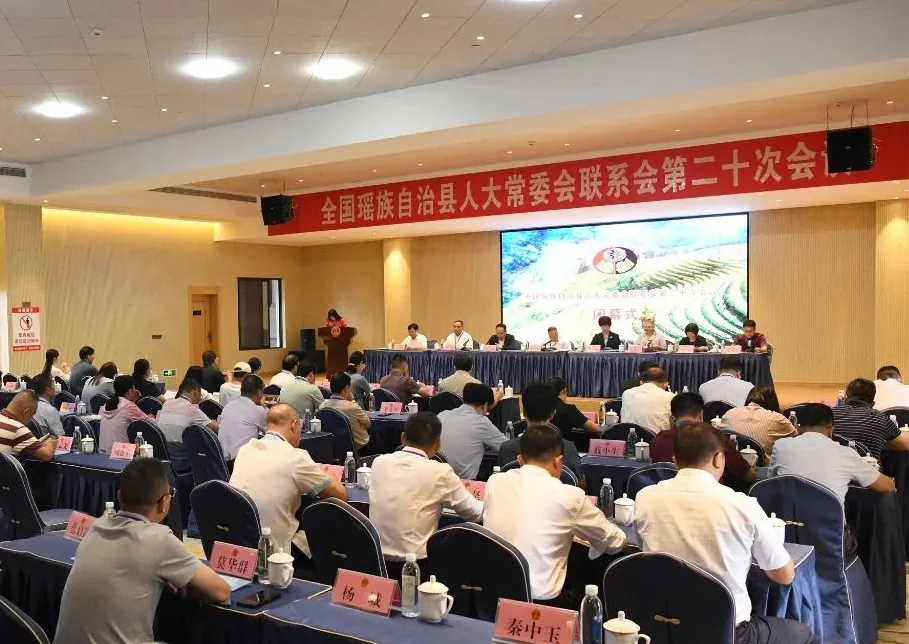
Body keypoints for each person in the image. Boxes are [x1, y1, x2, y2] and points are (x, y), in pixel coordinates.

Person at [635, 422, 815, 644]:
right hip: (726, 632)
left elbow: (645, 553)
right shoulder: (741, 504)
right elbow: (784, 576)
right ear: (719, 459)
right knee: (803, 634)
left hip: (660, 625)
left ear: (675, 460)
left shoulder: (645, 498)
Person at [53, 458, 230, 644]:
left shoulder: (97, 526)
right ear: (165, 502)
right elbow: (221, 592)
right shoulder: (158, 538)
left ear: (120, 496)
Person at [484, 425, 627, 607]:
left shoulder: (495, 481)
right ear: (559, 461)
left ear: (520, 459)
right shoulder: (569, 496)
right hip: (542, 603)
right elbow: (614, 542)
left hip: (492, 593)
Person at [369, 412, 483, 579]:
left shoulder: (379, 462)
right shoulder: (440, 472)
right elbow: (475, 514)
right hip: (416, 567)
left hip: (375, 561)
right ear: (438, 444)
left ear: (403, 438)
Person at [230, 403, 347, 557]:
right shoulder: (295, 457)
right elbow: (340, 494)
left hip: (239, 542)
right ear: (294, 425)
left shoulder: (245, 450)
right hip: (275, 550)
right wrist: (328, 473)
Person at [771, 403, 894, 505]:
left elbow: (770, 481)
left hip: (783, 523)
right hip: (829, 525)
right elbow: (887, 486)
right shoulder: (846, 454)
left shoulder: (781, 446)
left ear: (798, 428)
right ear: (831, 429)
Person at [648, 393, 755, 490]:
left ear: (673, 417)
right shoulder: (716, 439)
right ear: (701, 414)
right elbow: (748, 476)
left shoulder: (658, 441)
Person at [497, 382, 583, 481]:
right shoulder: (567, 448)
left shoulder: (506, 448)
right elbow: (580, 483)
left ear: (524, 411)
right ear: (553, 413)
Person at [438, 383, 508, 479]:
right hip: (462, 482)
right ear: (485, 405)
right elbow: (506, 447)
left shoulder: (442, 415)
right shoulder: (481, 422)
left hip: (436, 477)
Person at [833, 378, 909, 459]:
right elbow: (905, 444)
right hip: (868, 466)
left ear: (845, 399)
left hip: (834, 465)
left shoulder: (829, 414)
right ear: (872, 403)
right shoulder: (880, 418)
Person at [157, 379, 219, 471]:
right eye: (200, 395)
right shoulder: (192, 409)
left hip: (162, 457)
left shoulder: (167, 403)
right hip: (180, 459)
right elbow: (215, 428)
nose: (200, 399)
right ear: (195, 392)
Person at [721, 386, 796, 454]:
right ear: (773, 402)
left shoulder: (730, 413)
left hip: (731, 462)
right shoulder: (776, 418)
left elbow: (717, 433)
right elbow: (795, 437)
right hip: (762, 464)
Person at [320, 372, 378, 455]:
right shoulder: (352, 407)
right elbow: (368, 424)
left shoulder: (323, 406)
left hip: (333, 448)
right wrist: (352, 401)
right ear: (346, 388)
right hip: (358, 448)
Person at [218, 374, 268, 461]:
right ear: (259, 392)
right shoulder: (258, 411)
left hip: (220, 460)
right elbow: (273, 427)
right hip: (239, 462)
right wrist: (264, 406)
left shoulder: (229, 405)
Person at [0, 391, 56, 461]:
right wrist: (52, 442)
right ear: (25, 412)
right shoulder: (18, 430)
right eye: (31, 416)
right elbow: (46, 455)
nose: (31, 420)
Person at [99, 375, 148, 454]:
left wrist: (133, 401)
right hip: (122, 454)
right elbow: (150, 424)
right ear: (130, 391)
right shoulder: (129, 406)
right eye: (134, 388)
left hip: (103, 453)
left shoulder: (107, 404)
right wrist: (152, 417)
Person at [620, 367, 674, 432]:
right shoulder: (670, 397)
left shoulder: (626, 393)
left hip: (626, 435)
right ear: (665, 384)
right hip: (656, 437)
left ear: (642, 382)